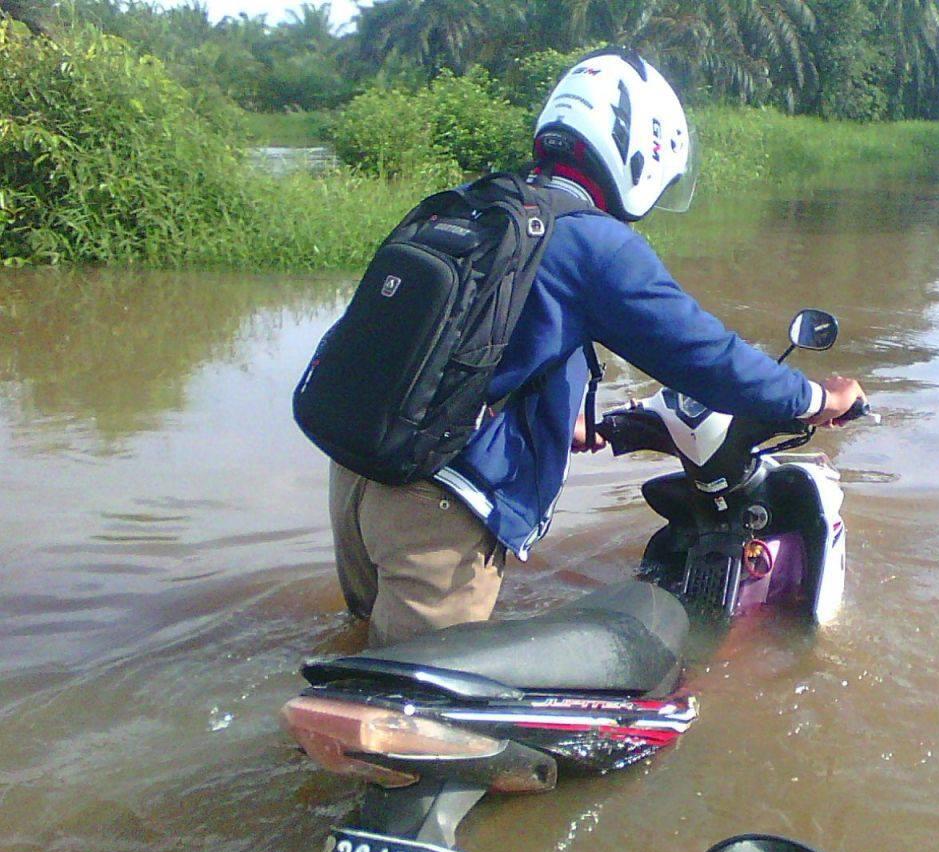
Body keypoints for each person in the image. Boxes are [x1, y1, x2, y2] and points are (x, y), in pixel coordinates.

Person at [330, 47, 866, 646]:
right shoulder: (591, 240)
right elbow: (704, 356)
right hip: (435, 504)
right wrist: (814, 396)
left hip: (357, 470)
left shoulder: (480, 203)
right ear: (641, 151)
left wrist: (568, 426)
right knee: (411, 716)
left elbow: (487, 341)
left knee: (354, 652)